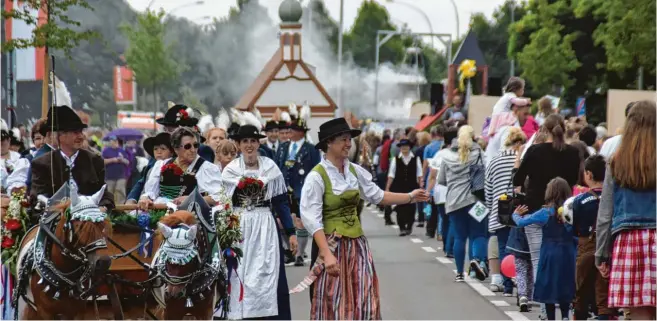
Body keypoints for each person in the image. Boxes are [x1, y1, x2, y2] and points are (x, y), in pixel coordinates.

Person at [297, 118, 429, 320]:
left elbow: (378, 196)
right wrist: (326, 254)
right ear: (329, 143)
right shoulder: (317, 177)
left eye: (349, 139)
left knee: (364, 297)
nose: (349, 144)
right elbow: (312, 220)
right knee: (333, 301)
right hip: (332, 246)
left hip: (357, 247)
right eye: (343, 139)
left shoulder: (354, 171)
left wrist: (410, 196)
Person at [221, 124, 297, 320]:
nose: (249, 145)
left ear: (258, 143)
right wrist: (225, 233)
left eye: (253, 141)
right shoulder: (230, 170)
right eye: (245, 141)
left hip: (265, 225)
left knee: (268, 272)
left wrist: (291, 232)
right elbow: (224, 205)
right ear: (238, 145)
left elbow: (281, 203)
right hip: (239, 226)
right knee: (240, 274)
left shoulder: (270, 167)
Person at [513, 114, 580, 319]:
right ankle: (565, 308)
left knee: (538, 258)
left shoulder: (534, 151)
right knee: (566, 260)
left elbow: (518, 178)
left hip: (535, 207)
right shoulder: (573, 152)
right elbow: (575, 179)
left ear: (545, 130)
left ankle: (545, 308)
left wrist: (518, 161)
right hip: (565, 210)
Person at [596, 100, 656, 321]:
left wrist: (601, 253)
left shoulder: (617, 161)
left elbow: (605, 212)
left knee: (639, 312)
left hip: (629, 239)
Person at [30, 105, 115, 211]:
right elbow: (37, 197)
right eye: (75, 132)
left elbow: (104, 193)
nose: (81, 136)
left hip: (91, 218)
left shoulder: (95, 160)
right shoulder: (42, 163)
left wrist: (103, 207)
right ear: (60, 136)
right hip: (56, 220)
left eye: (81, 132)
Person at [513, 177, 575, 320]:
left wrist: (515, 214)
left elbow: (522, 222)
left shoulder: (545, 212)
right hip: (568, 252)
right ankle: (565, 315)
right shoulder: (571, 211)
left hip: (549, 252)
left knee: (548, 286)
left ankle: (551, 317)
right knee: (565, 283)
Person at [274, 116, 320, 267]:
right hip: (284, 189)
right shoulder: (283, 147)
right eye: (290, 129)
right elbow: (277, 166)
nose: (290, 132)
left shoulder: (311, 148)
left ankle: (300, 253)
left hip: (302, 189)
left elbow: (316, 169)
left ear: (301, 132)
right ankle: (290, 249)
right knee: (284, 220)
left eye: (293, 130)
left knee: (300, 222)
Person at [485, 127, 526, 295]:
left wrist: (491, 207)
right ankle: (520, 284)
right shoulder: (522, 161)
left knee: (503, 247)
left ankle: (507, 285)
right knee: (518, 248)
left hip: (499, 209)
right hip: (519, 209)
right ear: (519, 143)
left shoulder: (494, 161)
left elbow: (488, 189)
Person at [571, 155, 612, 320]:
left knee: (581, 290)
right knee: (604, 294)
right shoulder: (612, 197)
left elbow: (573, 226)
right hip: (609, 246)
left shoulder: (580, 200)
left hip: (585, 245)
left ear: (588, 174)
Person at [138, 127, 223, 208]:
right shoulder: (161, 164)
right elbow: (151, 192)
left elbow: (218, 197)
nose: (193, 150)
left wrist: (192, 199)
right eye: (187, 146)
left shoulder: (207, 168)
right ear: (176, 149)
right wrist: (145, 198)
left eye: (196, 145)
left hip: (190, 217)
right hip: (160, 211)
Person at [386, 139, 422, 236]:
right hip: (399, 186)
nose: (404, 148)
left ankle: (409, 226)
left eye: (406, 146)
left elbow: (419, 174)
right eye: (402, 146)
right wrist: (388, 188)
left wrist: (421, 185)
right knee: (400, 208)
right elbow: (391, 174)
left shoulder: (416, 159)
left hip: (412, 186)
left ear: (409, 147)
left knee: (411, 208)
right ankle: (402, 228)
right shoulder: (396, 159)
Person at [125, 133, 174, 204]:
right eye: (155, 149)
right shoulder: (152, 167)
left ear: (172, 152)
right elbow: (144, 183)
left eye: (163, 149)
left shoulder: (174, 166)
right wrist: (133, 199)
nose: (159, 152)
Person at [102, 136, 130, 204]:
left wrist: (122, 159)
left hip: (121, 175)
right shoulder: (106, 151)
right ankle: (109, 205)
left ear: (117, 141)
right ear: (110, 142)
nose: (114, 143)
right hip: (109, 176)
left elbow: (127, 162)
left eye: (115, 141)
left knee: (120, 190)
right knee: (109, 192)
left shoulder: (122, 151)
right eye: (112, 141)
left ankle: (121, 206)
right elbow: (102, 162)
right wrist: (113, 160)